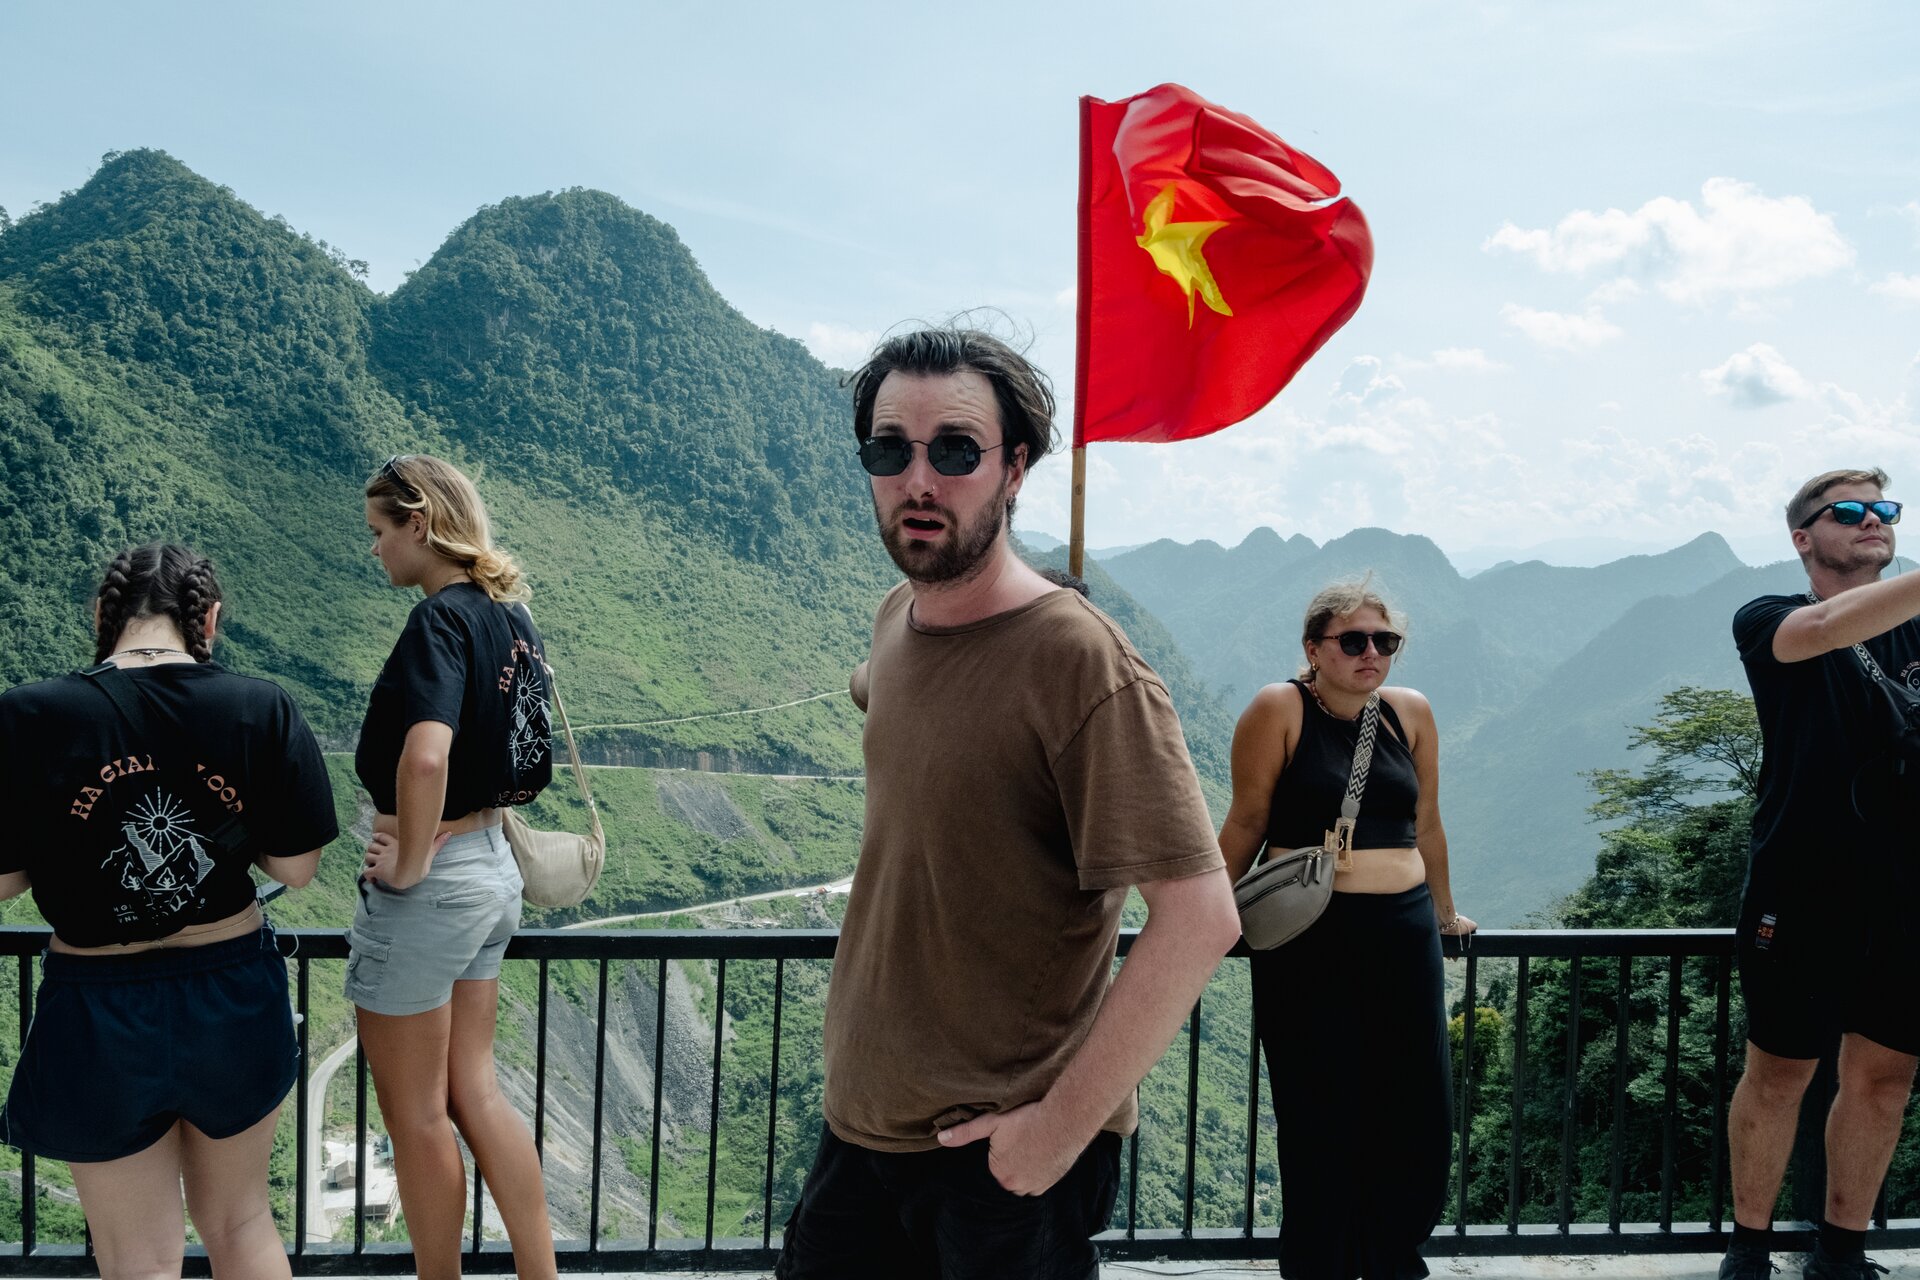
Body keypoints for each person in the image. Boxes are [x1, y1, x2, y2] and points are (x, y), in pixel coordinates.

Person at [776, 327, 1242, 1280]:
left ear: (1016, 466)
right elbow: (906, 697)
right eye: (887, 449)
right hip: (861, 1134)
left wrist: (1051, 1137)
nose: (918, 479)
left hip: (996, 1161)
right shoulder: (896, 622)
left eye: (955, 450)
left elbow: (1200, 917)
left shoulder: (1078, 662)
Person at [0, 543, 336, 1278]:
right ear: (207, 619)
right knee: (242, 1222)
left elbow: (4, 881)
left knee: (139, 1259)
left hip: (97, 1004)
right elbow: (297, 867)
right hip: (230, 985)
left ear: (103, 615)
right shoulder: (259, 706)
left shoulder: (27, 715)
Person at [1217, 578, 1474, 1279]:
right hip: (1312, 939)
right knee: (1319, 1109)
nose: (1372, 653)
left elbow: (1427, 825)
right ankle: (1318, 1263)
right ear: (1313, 646)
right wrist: (1201, 917)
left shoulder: (1409, 713)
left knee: (1418, 1108)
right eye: (1354, 640)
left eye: (1385, 641)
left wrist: (1447, 915)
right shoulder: (1281, 709)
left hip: (1404, 929)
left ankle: (1391, 1255)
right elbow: (1246, 821)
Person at [350, 454, 557, 1280]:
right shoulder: (513, 618)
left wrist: (405, 862)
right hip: (491, 867)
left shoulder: (437, 622)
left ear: (420, 524)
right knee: (476, 1092)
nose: (374, 551)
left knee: (417, 1116)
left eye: (379, 531)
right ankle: (541, 1276)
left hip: (434, 889)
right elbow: (514, 754)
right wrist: (465, 827)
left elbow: (426, 756)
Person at [1719, 467, 1920, 1280]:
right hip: (1801, 887)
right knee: (1780, 1072)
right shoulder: (1769, 618)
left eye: (1885, 509)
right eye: (1850, 512)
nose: (1873, 521)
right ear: (1804, 537)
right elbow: (1830, 629)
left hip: (1906, 893)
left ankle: (1842, 1250)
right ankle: (1751, 1247)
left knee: (1884, 1079)